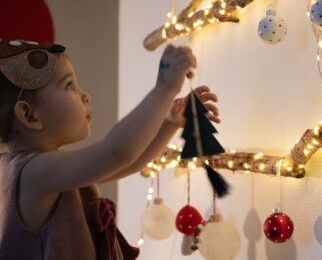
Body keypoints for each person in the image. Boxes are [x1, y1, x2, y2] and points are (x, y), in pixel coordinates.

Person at [0, 39, 221, 259]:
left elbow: (130, 162)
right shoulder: (32, 174)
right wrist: (164, 89)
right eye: (69, 85)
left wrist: (170, 123)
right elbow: (116, 154)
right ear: (29, 115)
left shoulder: (48, 169)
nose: (86, 95)